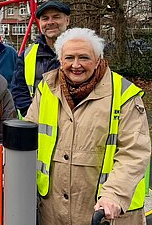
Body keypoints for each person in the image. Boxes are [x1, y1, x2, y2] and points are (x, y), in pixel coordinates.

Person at [25, 28, 150, 224]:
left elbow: (134, 151)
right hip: (53, 211)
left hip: (105, 214)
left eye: (84, 57)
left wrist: (114, 196)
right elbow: (28, 137)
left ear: (98, 59)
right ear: (60, 60)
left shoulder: (124, 94)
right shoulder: (46, 88)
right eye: (69, 58)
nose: (76, 65)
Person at [11, 0, 71, 116]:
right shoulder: (28, 54)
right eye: (45, 18)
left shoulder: (81, 50)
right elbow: (19, 89)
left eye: (56, 17)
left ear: (67, 20)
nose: (50, 22)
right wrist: (30, 114)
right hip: (38, 124)